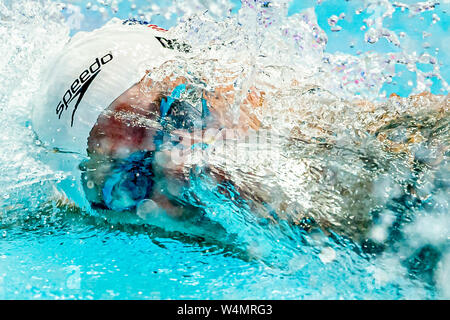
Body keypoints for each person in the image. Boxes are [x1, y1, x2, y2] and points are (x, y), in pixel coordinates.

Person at [32, 18, 449, 240]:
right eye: (133, 179)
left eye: (182, 116)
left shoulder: (407, 144)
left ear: (230, 82)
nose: (182, 168)